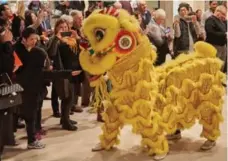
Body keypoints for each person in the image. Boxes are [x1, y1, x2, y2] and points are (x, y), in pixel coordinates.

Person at [0, 18, 15, 159]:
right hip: (3, 83)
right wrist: (7, 44)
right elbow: (7, 65)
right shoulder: (5, 45)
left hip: (6, 83)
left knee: (7, 112)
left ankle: (7, 139)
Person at [205, 5, 227, 71]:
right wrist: (224, 34)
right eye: (223, 14)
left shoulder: (221, 21)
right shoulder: (210, 20)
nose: (224, 16)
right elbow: (210, 33)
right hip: (214, 46)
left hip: (222, 46)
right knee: (215, 67)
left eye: (225, 14)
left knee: (222, 66)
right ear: (217, 11)